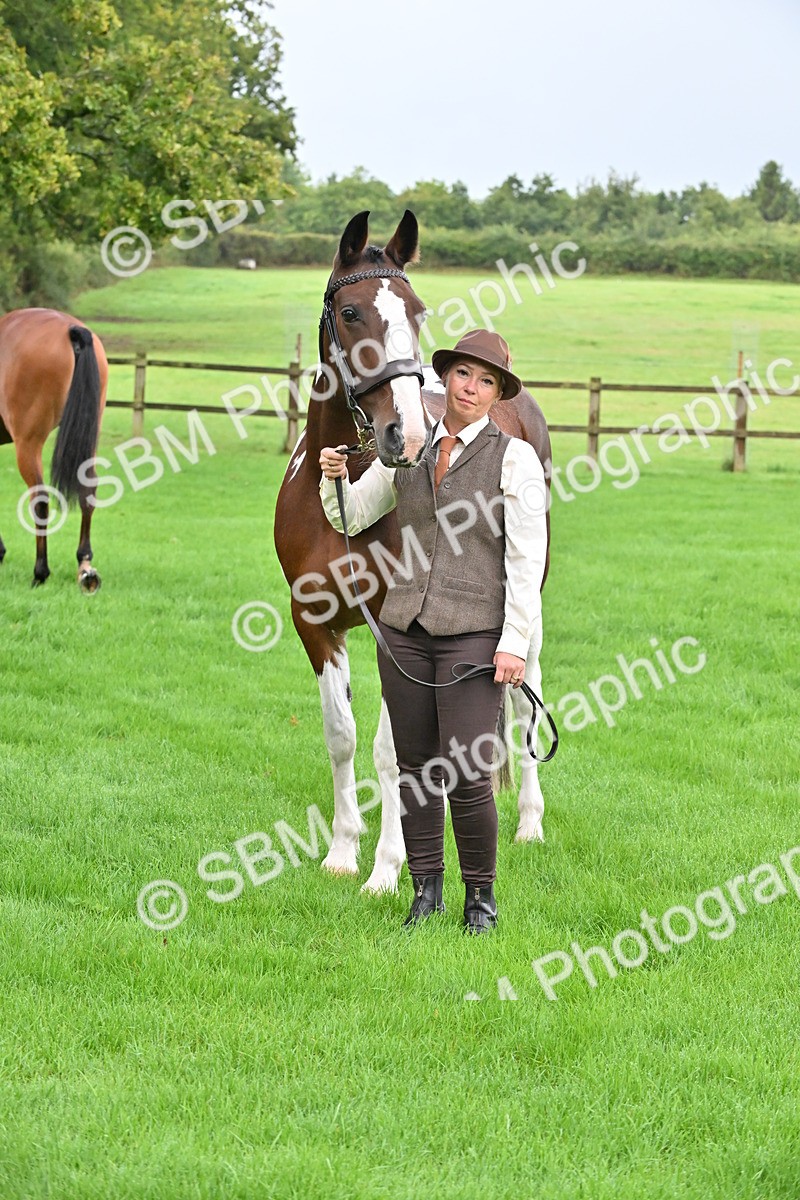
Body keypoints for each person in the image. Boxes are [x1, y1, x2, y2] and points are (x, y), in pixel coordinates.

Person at [318, 329, 548, 933]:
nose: (470, 389)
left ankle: (481, 900)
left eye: (485, 381)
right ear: (444, 380)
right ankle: (426, 891)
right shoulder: (409, 447)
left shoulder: (514, 457)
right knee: (415, 768)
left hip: (475, 635)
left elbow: (527, 557)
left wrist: (514, 643)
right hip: (402, 629)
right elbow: (351, 514)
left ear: (498, 393)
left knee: (469, 773)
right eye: (462, 375)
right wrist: (334, 475)